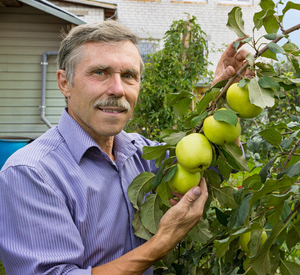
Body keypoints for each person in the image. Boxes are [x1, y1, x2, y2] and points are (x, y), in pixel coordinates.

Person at [0, 20, 252, 275]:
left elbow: (213, 171)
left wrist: (221, 101)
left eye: (129, 76)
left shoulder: (144, 154)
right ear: (65, 83)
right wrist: (160, 244)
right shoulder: (31, 173)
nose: (118, 89)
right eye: (100, 72)